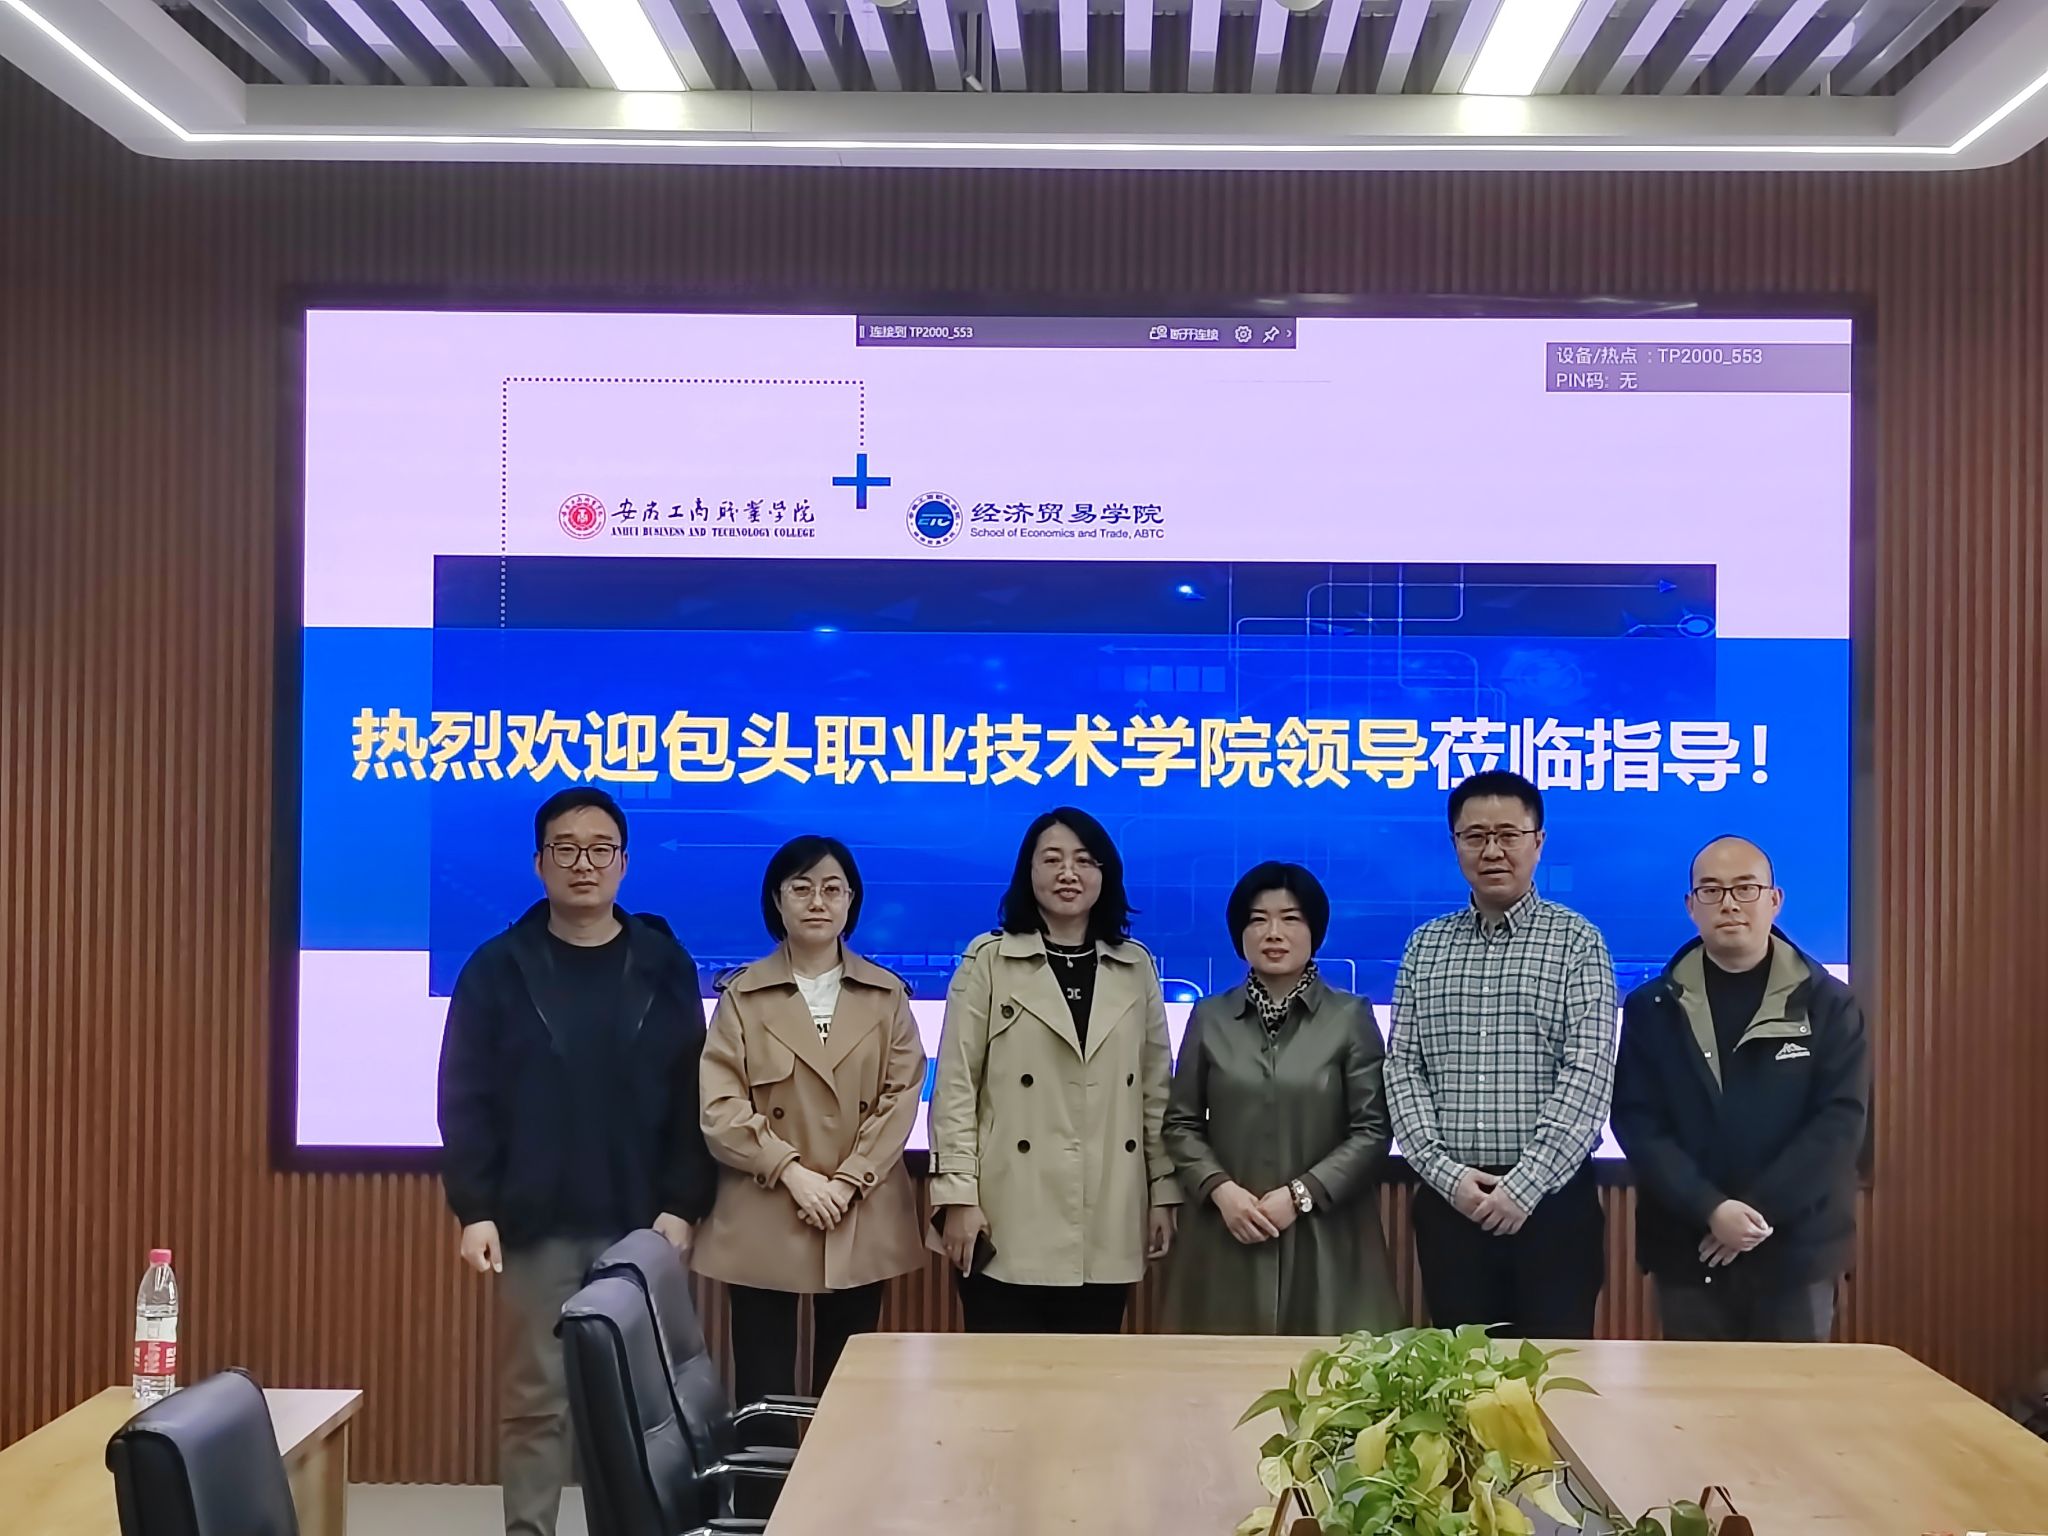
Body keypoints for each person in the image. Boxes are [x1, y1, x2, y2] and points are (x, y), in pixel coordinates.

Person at [437, 787, 717, 1536]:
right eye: (565, 848)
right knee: (536, 1401)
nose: (583, 864)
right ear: (539, 863)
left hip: (641, 1226)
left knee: (634, 1405)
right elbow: (464, 1097)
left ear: (624, 863)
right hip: (535, 1223)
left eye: (600, 849)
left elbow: (696, 1093)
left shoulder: (664, 965)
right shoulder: (497, 967)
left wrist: (683, 1203)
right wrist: (475, 1209)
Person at [693, 835, 926, 1409]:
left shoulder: (886, 996)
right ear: (777, 900)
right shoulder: (742, 996)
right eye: (801, 888)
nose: (817, 901)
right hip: (767, 1203)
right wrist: (792, 1172)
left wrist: (846, 1182)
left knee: (848, 1391)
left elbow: (901, 1098)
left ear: (851, 901)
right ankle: (765, 1475)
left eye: (832, 889)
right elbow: (720, 1107)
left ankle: (838, 1476)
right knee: (763, 1389)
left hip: (859, 1208)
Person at [928, 807, 1182, 1333]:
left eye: (1085, 861)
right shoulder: (990, 959)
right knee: (1000, 1374)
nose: (1069, 873)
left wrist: (1163, 1191)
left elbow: (1155, 1091)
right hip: (1006, 1210)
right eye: (1052, 860)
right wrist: (957, 1196)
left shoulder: (1135, 965)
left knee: (1090, 1374)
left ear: (1105, 875)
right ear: (1029, 871)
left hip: (1108, 1209)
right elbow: (955, 1086)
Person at [1386, 769, 1617, 1338]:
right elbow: (1403, 1069)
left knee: (1554, 1375)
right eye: (1475, 836)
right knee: (1460, 1377)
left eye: (1508, 835)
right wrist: (1447, 1177)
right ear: (1455, 844)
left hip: (1553, 1207)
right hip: (1451, 1208)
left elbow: (1589, 1073)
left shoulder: (1578, 941)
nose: (1492, 851)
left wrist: (1525, 1185)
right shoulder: (1424, 946)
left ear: (1538, 842)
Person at [1612, 835, 1870, 1342]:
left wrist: (1754, 1214)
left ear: (1775, 899)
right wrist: (1711, 1209)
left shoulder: (1829, 1005)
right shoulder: (1653, 1008)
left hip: (1796, 1253)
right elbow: (1637, 1122)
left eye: (1745, 888)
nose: (1729, 903)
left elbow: (1841, 1123)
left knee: (1793, 1393)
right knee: (1695, 1394)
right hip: (1689, 1250)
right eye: (1711, 890)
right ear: (1691, 906)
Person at [1163, 862, 1402, 1335]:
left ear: (1315, 930)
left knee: (1331, 1372)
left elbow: (1373, 1129)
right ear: (1240, 933)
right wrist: (1221, 1190)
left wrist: (1301, 1195)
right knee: (1216, 1372)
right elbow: (1181, 1122)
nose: (1274, 932)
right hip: (1227, 1229)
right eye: (1258, 919)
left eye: (1291, 918)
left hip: (1327, 1236)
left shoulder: (1350, 1017)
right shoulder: (1210, 1018)